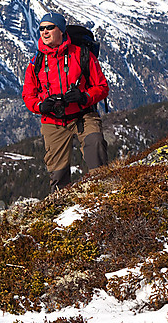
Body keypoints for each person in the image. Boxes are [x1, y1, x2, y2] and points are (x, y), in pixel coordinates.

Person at [22, 12, 109, 190]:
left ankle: (102, 192)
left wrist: (84, 97)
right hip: (53, 120)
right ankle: (62, 209)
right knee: (58, 175)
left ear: (61, 30)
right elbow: (28, 95)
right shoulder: (35, 62)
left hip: (83, 115)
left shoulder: (82, 55)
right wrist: (41, 106)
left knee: (96, 145)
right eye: (41, 28)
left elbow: (102, 86)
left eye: (50, 27)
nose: (45, 32)